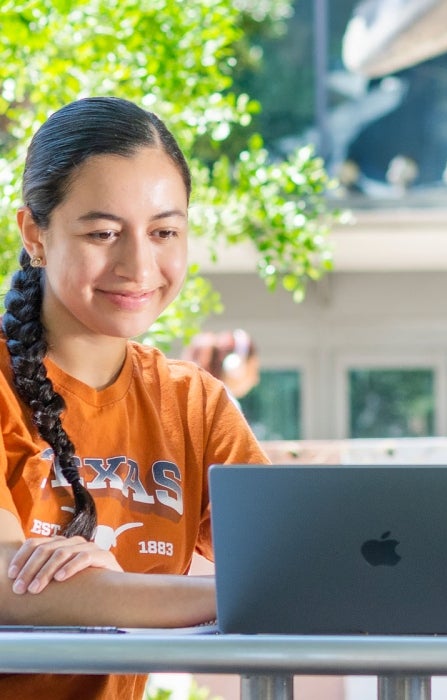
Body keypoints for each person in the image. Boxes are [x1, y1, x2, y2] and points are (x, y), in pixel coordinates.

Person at [0, 96, 269, 699]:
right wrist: (227, 599)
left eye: (164, 231)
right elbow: (6, 588)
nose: (138, 265)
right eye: (102, 232)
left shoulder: (194, 404)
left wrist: (108, 582)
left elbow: (292, 569)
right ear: (34, 234)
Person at [182, 328, 260, 404]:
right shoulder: (226, 407)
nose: (256, 380)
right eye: (254, 369)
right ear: (235, 366)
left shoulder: (183, 396)